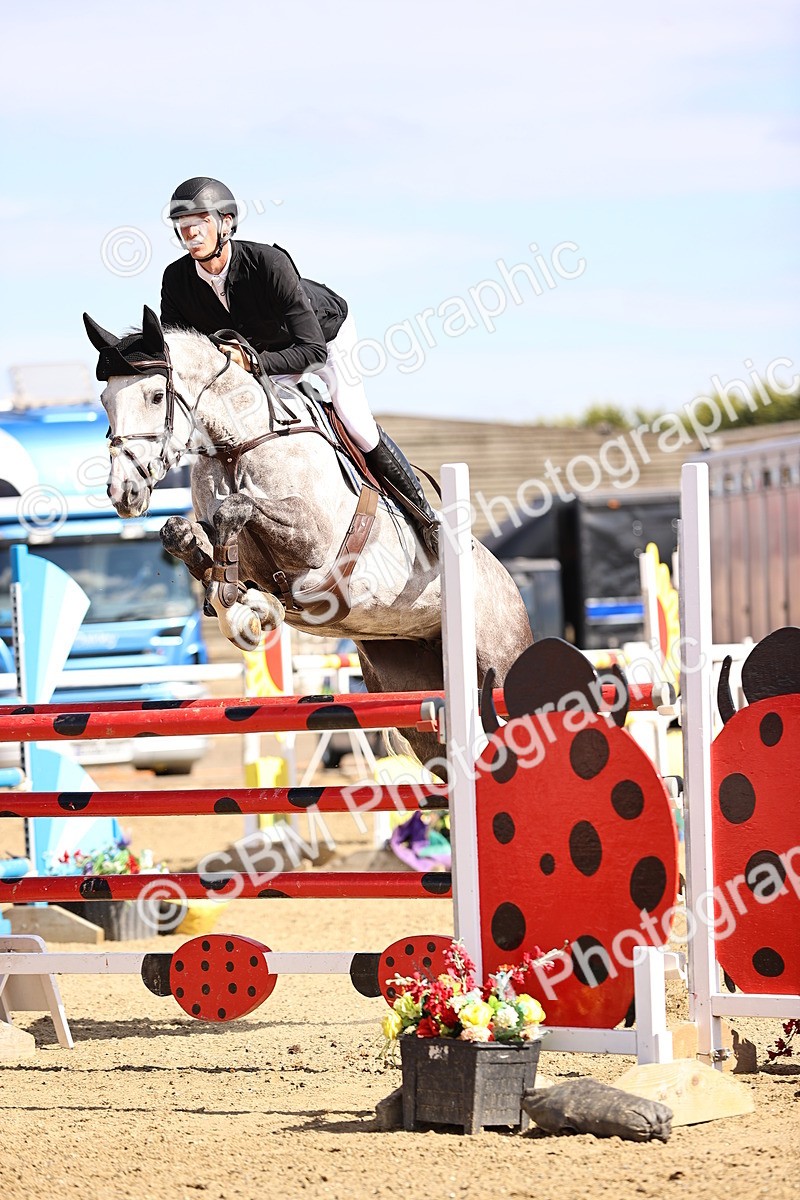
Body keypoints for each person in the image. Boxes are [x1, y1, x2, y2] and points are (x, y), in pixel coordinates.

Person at [160, 177, 438, 552]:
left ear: (226, 222)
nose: (190, 231)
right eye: (182, 223)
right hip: (258, 357)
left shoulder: (268, 264)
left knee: (355, 421)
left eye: (200, 220)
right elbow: (182, 356)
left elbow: (312, 352)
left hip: (322, 338)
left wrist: (252, 362)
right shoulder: (176, 281)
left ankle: (424, 518)